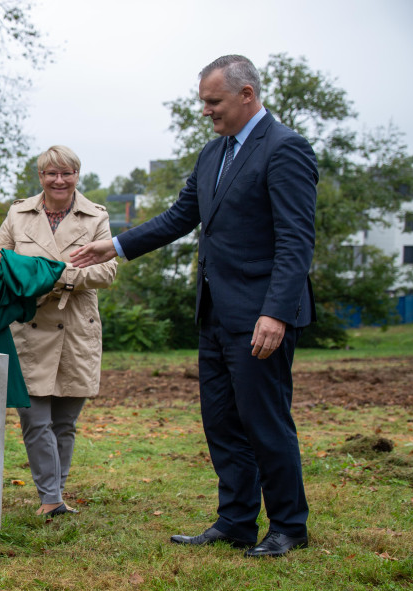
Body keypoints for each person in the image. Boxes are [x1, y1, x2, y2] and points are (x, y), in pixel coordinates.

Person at [70, 55, 317, 557]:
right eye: (203, 101)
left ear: (246, 95)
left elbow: (296, 241)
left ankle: (290, 525)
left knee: (265, 422)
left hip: (261, 317)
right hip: (215, 315)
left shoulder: (286, 149)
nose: (206, 111)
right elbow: (181, 215)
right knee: (222, 422)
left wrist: (275, 312)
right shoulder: (212, 154)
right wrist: (114, 246)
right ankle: (236, 522)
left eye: (214, 101)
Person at [0, 145, 117, 518]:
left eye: (67, 173)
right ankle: (51, 498)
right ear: (40, 177)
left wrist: (60, 275)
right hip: (30, 329)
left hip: (76, 330)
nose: (59, 180)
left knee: (64, 423)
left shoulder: (95, 218)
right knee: (35, 420)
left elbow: (107, 271)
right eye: (51, 174)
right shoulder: (19, 213)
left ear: (77, 175)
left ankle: (56, 491)